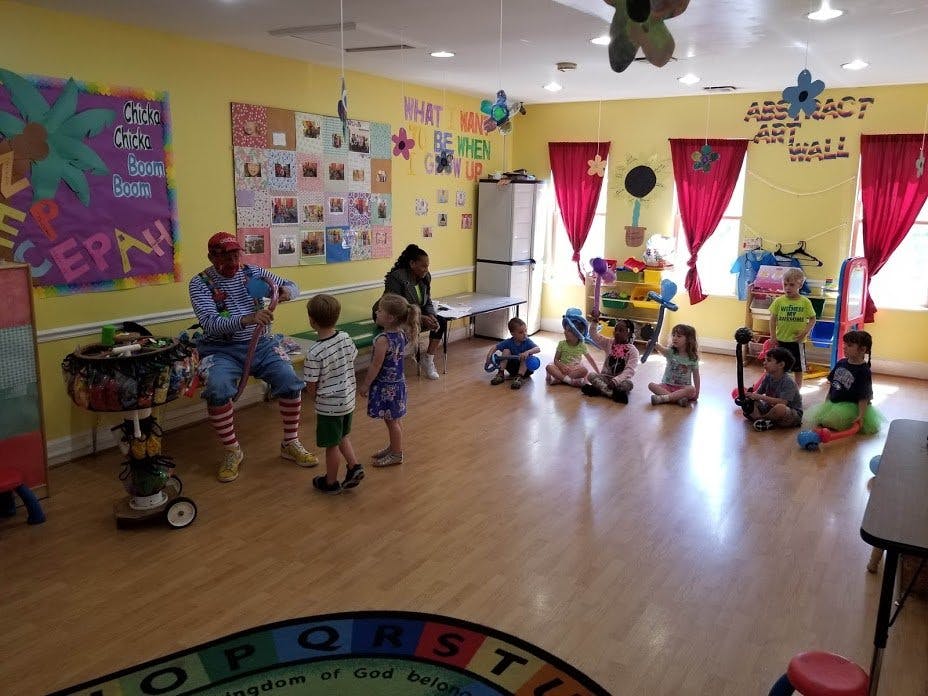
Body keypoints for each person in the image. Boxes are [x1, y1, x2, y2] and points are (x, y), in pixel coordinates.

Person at [189, 231, 316, 483]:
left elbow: (293, 285)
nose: (233, 263)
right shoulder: (200, 283)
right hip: (220, 349)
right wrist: (247, 319)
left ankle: (290, 442)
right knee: (217, 388)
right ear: (211, 258)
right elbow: (209, 323)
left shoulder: (253, 273)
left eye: (236, 255)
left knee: (289, 381)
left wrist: (285, 292)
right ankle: (232, 450)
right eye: (225, 257)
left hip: (263, 344)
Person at [304, 294, 365, 494]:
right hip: (347, 400)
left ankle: (330, 482)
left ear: (312, 321)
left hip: (329, 406)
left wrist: (313, 397)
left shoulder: (314, 352)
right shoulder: (345, 337)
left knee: (331, 445)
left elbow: (311, 384)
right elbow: (352, 357)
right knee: (342, 436)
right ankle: (354, 466)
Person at [361, 293, 421, 467]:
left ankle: (396, 454)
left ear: (390, 317)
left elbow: (375, 365)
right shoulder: (400, 335)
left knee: (392, 421)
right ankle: (395, 447)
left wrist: (366, 384)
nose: (376, 313)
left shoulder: (383, 340)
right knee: (395, 419)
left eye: (379, 311)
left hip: (387, 387)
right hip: (398, 385)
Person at [374, 244, 446, 380]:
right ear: (412, 264)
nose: (427, 269)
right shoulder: (397, 277)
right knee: (404, 330)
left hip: (415, 315)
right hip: (390, 315)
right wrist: (421, 318)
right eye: (423, 266)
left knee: (440, 322)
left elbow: (427, 300)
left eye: (428, 266)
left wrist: (431, 315)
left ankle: (428, 359)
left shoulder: (425, 277)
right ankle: (393, 366)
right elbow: (395, 307)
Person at [803, 330, 881, 434]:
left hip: (852, 407)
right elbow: (833, 386)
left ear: (862, 349)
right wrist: (825, 405)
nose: (844, 347)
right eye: (844, 344)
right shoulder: (841, 363)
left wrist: (861, 416)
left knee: (831, 422)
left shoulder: (863, 371)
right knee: (823, 419)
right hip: (835, 402)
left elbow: (864, 396)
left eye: (849, 345)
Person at [768, 267, 816, 387]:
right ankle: (779, 387)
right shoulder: (779, 301)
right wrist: (773, 336)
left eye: (792, 285)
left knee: (798, 368)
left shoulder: (805, 302)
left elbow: (812, 319)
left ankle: (797, 391)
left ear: (800, 285)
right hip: (781, 340)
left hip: (797, 342)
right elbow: (773, 319)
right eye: (785, 284)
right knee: (779, 366)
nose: (788, 288)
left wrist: (805, 332)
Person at [744, 347, 803, 431]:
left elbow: (783, 402)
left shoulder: (788, 382)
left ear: (781, 365)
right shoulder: (768, 376)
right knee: (749, 404)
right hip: (770, 409)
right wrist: (750, 397)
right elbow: (759, 392)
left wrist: (759, 397)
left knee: (780, 408)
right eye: (765, 360)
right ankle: (768, 422)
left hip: (790, 413)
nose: (764, 363)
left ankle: (761, 419)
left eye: (768, 360)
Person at [581, 318, 639, 403]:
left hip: (620, 381)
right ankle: (613, 394)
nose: (617, 332)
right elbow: (593, 335)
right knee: (591, 375)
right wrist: (594, 321)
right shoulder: (608, 343)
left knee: (628, 384)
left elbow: (630, 370)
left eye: (621, 330)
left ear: (629, 333)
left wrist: (616, 381)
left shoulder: (633, 351)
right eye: (616, 330)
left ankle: (598, 390)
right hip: (605, 378)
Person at [648, 324, 700, 407]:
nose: (675, 338)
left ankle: (666, 398)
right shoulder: (670, 352)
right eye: (673, 335)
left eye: (679, 336)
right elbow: (660, 348)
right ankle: (677, 399)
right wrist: (653, 344)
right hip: (667, 386)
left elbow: (696, 376)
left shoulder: (692, 358)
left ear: (688, 340)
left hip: (683, 389)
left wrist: (697, 393)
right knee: (651, 385)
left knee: (691, 389)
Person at [486, 317, 541, 390]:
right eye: (521, 332)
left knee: (524, 356)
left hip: (526, 370)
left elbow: (538, 349)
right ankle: (500, 373)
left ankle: (519, 377)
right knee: (506, 350)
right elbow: (495, 347)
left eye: (525, 331)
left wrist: (527, 352)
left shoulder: (527, 341)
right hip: (512, 369)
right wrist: (489, 357)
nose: (525, 334)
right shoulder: (508, 342)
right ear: (512, 334)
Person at [545, 311, 598, 387]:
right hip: (561, 368)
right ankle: (569, 381)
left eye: (569, 331)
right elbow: (556, 360)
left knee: (584, 371)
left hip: (574, 370)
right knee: (549, 367)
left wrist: (598, 372)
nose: (565, 332)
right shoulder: (562, 344)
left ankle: (561, 379)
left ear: (577, 334)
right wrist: (561, 366)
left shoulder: (581, 346)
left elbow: (590, 360)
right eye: (565, 329)